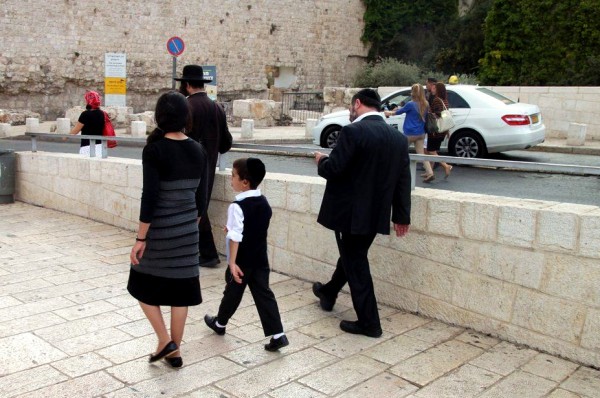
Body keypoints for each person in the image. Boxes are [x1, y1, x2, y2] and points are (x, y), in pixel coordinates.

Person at [312, 89, 411, 338]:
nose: (349, 111)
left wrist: (321, 161)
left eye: (350, 106)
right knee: (352, 255)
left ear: (358, 103)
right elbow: (403, 180)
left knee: (356, 262)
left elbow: (335, 169)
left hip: (350, 214)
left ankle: (370, 323)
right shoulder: (397, 138)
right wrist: (401, 215)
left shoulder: (352, 131)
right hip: (375, 214)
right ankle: (329, 292)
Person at [128, 91, 209, 369]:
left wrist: (141, 237)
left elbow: (149, 196)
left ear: (159, 116)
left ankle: (165, 342)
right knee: (180, 292)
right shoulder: (198, 149)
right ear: (186, 116)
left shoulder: (154, 149)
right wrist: (189, 226)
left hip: (160, 231)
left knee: (139, 284)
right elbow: (201, 199)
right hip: (187, 233)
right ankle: (175, 353)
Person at [204, 157, 289, 351]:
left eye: (233, 176)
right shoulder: (264, 202)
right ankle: (278, 334)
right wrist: (233, 231)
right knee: (264, 295)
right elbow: (254, 229)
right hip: (260, 259)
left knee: (232, 293)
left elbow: (236, 237)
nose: (230, 179)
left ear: (245, 182)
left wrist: (232, 263)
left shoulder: (237, 206)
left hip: (242, 261)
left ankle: (220, 324)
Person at [175, 64, 233, 268]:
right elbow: (226, 144)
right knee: (200, 207)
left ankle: (206, 253)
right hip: (209, 166)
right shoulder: (217, 107)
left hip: (187, 167)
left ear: (188, 85)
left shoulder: (185, 107)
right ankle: (206, 253)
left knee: (193, 207)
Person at [384, 84, 434, 182]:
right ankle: (430, 172)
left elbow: (398, 112)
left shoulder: (411, 104)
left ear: (413, 92)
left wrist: (388, 113)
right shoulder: (426, 103)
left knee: (400, 152)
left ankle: (395, 172)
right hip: (421, 133)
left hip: (410, 133)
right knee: (421, 154)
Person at [426, 82, 453, 179]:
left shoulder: (437, 100)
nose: (432, 90)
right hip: (442, 130)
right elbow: (445, 115)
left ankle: (446, 166)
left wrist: (430, 113)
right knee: (433, 151)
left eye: (434, 88)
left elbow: (438, 114)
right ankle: (430, 172)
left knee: (431, 150)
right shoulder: (444, 100)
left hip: (435, 130)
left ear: (438, 90)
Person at [68, 90, 105, 157]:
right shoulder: (102, 113)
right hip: (99, 146)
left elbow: (76, 130)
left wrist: (65, 137)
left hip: (87, 146)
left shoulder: (85, 114)